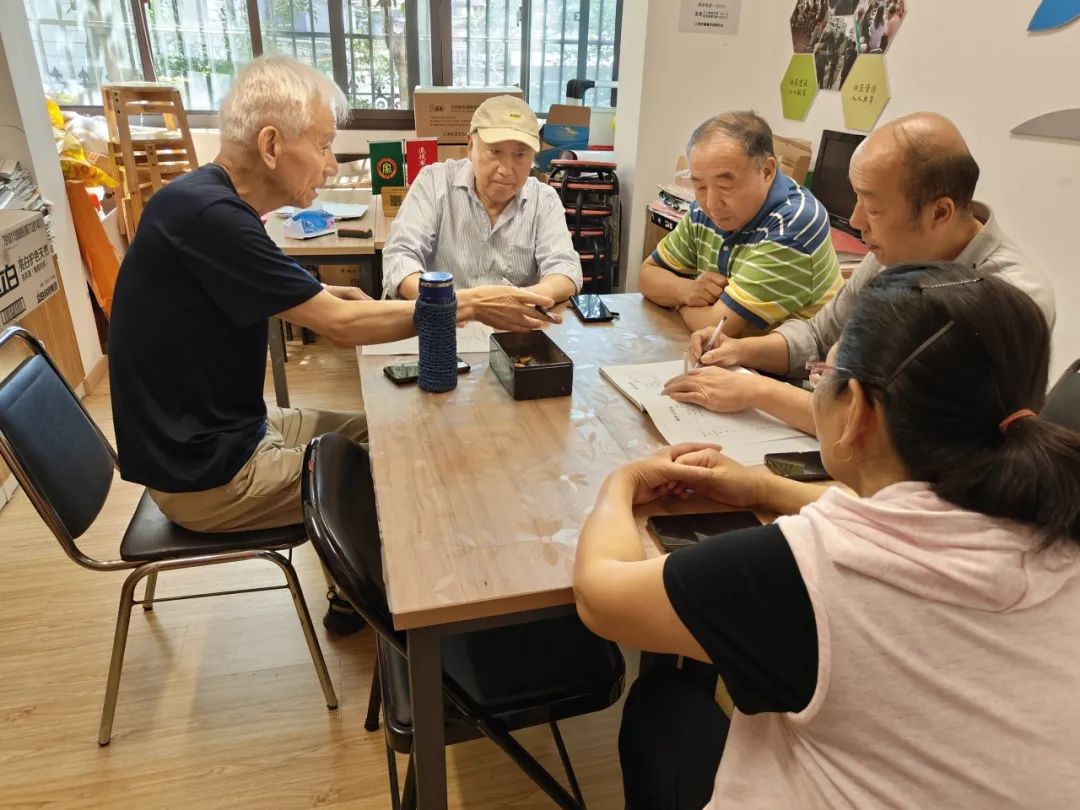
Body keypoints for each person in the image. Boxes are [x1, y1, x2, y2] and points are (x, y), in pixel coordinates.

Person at [574, 263, 1080, 809]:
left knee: (663, 704)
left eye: (823, 375)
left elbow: (602, 596)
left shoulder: (814, 568)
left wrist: (622, 483)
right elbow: (906, 523)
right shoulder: (1053, 513)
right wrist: (762, 489)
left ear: (857, 410)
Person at [108, 55, 554, 632]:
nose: (330, 163)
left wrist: (366, 305)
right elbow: (338, 329)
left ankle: (375, 588)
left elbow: (322, 300)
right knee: (406, 472)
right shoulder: (206, 216)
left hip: (239, 432)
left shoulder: (211, 205)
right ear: (271, 145)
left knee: (393, 424)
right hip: (210, 476)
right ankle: (406, 618)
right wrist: (467, 303)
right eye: (322, 145)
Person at [664, 112, 1056, 436]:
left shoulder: (1010, 298)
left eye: (874, 207)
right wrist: (742, 350)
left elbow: (901, 429)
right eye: (857, 198)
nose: (855, 221)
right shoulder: (896, 251)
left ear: (939, 212)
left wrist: (755, 391)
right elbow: (820, 335)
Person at [638, 111, 843, 337]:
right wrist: (687, 290)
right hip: (728, 357)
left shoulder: (794, 224)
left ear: (766, 171)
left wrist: (678, 304)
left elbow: (717, 329)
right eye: (700, 186)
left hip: (794, 369)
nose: (712, 203)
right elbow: (647, 276)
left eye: (725, 187)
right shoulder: (703, 210)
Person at [382, 95, 582, 301]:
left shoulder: (544, 200)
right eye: (495, 152)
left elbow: (565, 269)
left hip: (512, 324)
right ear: (470, 146)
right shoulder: (434, 182)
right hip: (442, 321)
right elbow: (399, 257)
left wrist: (520, 300)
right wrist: (455, 303)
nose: (506, 169)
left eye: (520, 155)